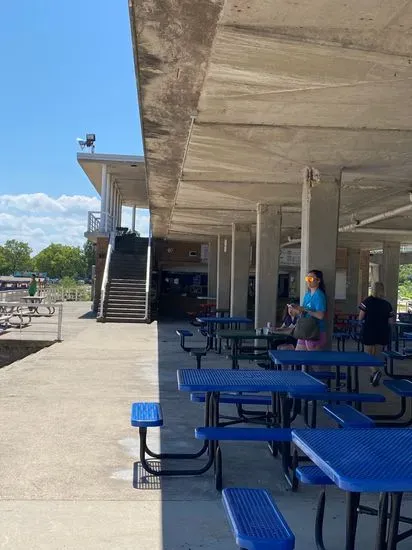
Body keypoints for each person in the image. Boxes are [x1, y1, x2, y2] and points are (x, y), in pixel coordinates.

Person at [359, 281, 394, 386]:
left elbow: (360, 317)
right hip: (382, 331)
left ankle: (375, 371)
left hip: (369, 330)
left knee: (367, 354)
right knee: (376, 355)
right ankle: (374, 378)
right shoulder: (387, 304)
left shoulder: (367, 302)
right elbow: (391, 321)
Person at [289, 270, 327, 351]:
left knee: (312, 360)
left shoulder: (319, 295)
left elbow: (321, 316)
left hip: (315, 331)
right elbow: (302, 312)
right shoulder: (307, 295)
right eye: (307, 279)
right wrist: (294, 311)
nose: (308, 281)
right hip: (305, 329)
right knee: (299, 355)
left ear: (318, 280)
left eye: (311, 279)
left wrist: (305, 310)